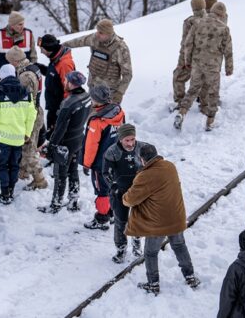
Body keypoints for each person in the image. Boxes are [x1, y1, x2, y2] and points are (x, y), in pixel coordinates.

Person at [124, 144, 200, 294]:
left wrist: (123, 196)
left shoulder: (145, 176)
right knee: (179, 246)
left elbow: (130, 200)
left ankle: (153, 284)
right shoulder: (169, 166)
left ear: (142, 159)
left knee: (151, 253)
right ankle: (190, 276)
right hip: (176, 218)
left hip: (158, 223)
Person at [175, 1, 233, 131]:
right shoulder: (224, 28)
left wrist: (187, 61)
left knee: (193, 89)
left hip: (197, 63)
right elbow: (228, 51)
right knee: (213, 92)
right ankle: (210, 121)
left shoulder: (198, 23)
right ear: (222, 15)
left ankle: (182, 112)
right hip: (213, 66)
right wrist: (229, 68)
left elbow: (188, 44)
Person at [38, 71, 91, 213]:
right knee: (73, 171)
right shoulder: (87, 97)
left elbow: (60, 129)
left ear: (72, 83)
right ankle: (73, 201)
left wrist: (51, 146)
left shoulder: (69, 104)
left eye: (66, 80)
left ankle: (55, 204)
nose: (64, 82)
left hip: (65, 144)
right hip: (78, 139)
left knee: (60, 174)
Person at [0, 64, 37, 205]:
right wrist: (27, 132)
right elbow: (32, 115)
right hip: (19, 138)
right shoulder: (26, 92)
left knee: (2, 165)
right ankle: (11, 189)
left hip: (1, 138)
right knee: (14, 165)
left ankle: (5, 193)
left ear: (1, 76)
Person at [81, 86, 125, 230]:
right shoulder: (119, 112)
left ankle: (102, 218)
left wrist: (87, 164)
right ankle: (111, 213)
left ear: (98, 101)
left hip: (101, 163)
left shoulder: (97, 121)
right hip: (116, 159)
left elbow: (91, 146)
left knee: (102, 191)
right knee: (112, 187)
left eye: (93, 98)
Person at [6, 46, 48, 190]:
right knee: (27, 146)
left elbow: (24, 100)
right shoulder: (32, 67)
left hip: (31, 116)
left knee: (29, 149)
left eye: (10, 62)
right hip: (35, 111)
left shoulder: (25, 76)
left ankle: (40, 180)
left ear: (15, 61)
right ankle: (23, 172)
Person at [62, 19, 132, 104]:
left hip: (108, 92)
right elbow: (79, 41)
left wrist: (120, 93)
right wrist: (62, 46)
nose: (97, 34)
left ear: (108, 34)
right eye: (97, 31)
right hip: (93, 86)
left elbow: (127, 74)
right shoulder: (95, 38)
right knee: (89, 114)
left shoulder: (120, 48)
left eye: (101, 33)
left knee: (105, 116)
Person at [103, 124, 145, 263]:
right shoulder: (112, 151)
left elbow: (152, 167)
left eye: (132, 139)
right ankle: (121, 249)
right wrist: (113, 186)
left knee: (137, 219)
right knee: (121, 221)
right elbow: (106, 173)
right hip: (120, 192)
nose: (130, 143)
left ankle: (137, 243)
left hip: (138, 191)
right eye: (127, 140)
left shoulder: (142, 148)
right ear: (120, 139)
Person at [171, 0, 207, 112]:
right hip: (207, 58)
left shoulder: (189, 22)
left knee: (178, 77)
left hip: (190, 57)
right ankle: (203, 100)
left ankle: (180, 102)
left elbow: (186, 44)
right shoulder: (212, 19)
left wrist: (184, 61)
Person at [0, 11, 37, 87]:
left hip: (24, 79)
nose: (22, 26)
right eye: (20, 24)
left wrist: (34, 75)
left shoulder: (28, 34)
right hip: (2, 80)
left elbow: (33, 57)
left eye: (23, 23)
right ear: (12, 25)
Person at [39, 34, 75, 138]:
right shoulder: (56, 58)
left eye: (42, 49)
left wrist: (62, 111)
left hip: (59, 109)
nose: (41, 52)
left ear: (49, 49)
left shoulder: (64, 64)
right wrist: (42, 68)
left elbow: (70, 88)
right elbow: (55, 76)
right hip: (53, 106)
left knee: (55, 136)